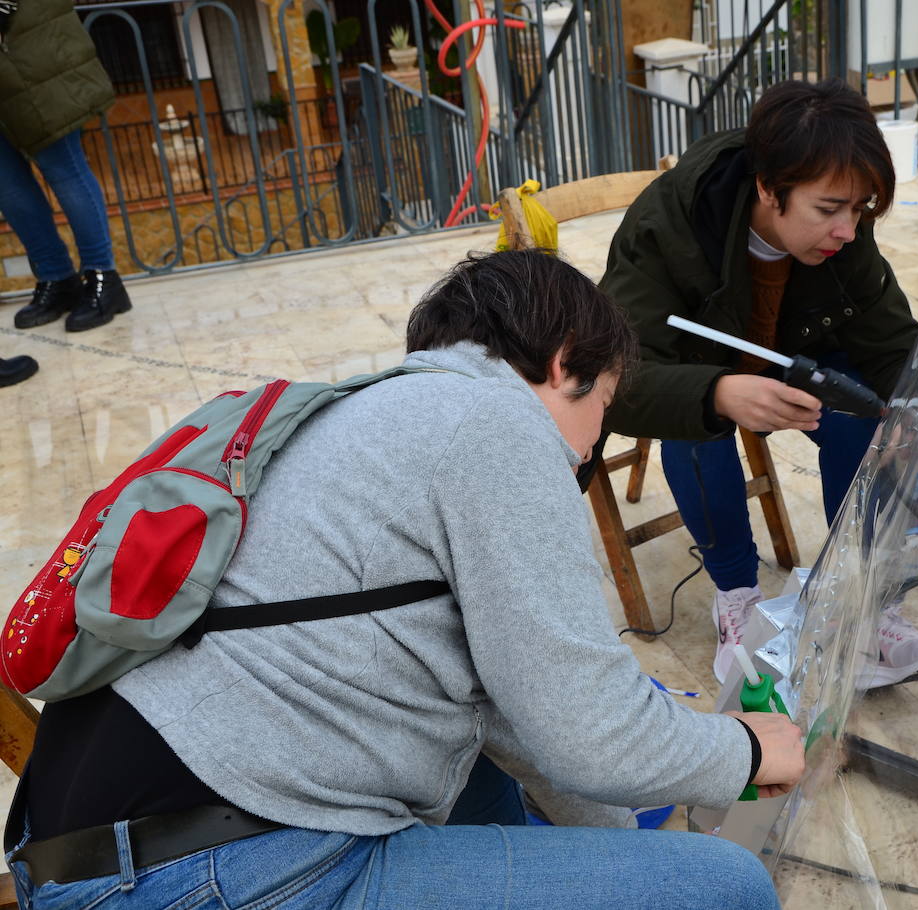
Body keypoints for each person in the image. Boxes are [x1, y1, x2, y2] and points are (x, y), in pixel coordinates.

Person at [4, 250, 803, 909]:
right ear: (566, 364)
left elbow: (521, 725)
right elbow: (590, 732)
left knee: (483, 778)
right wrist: (739, 750)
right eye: (606, 405)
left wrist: (620, 856)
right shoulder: (496, 427)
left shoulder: (360, 416)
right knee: (725, 889)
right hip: (206, 873)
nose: (593, 446)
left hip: (78, 847)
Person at [599, 78, 918, 688]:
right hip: (700, 365)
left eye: (860, 209)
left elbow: (887, 332)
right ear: (769, 190)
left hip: (793, 357)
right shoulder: (667, 229)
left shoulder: (843, 231)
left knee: (871, 421)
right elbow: (619, 380)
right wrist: (717, 393)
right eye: (829, 210)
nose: (847, 229)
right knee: (694, 435)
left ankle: (863, 598)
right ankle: (736, 597)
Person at [0, 0, 132, 333]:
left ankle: (103, 277)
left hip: (28, 43)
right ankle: (56, 277)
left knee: (62, 165)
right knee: (6, 182)